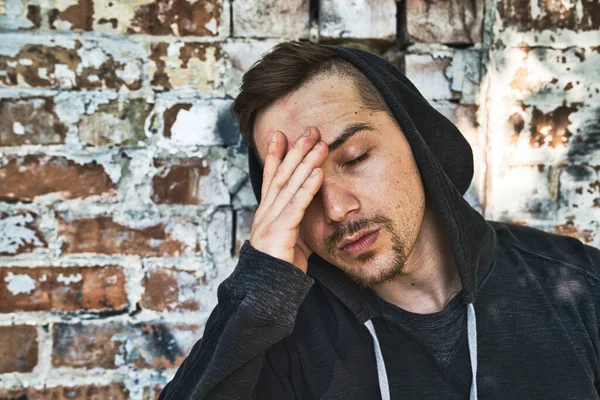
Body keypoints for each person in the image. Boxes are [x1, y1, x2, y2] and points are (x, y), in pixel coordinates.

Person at [158, 42, 600, 400]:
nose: (335, 209)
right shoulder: (279, 342)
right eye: (300, 186)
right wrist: (258, 289)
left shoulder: (579, 290)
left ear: (416, 141)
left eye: (355, 158)